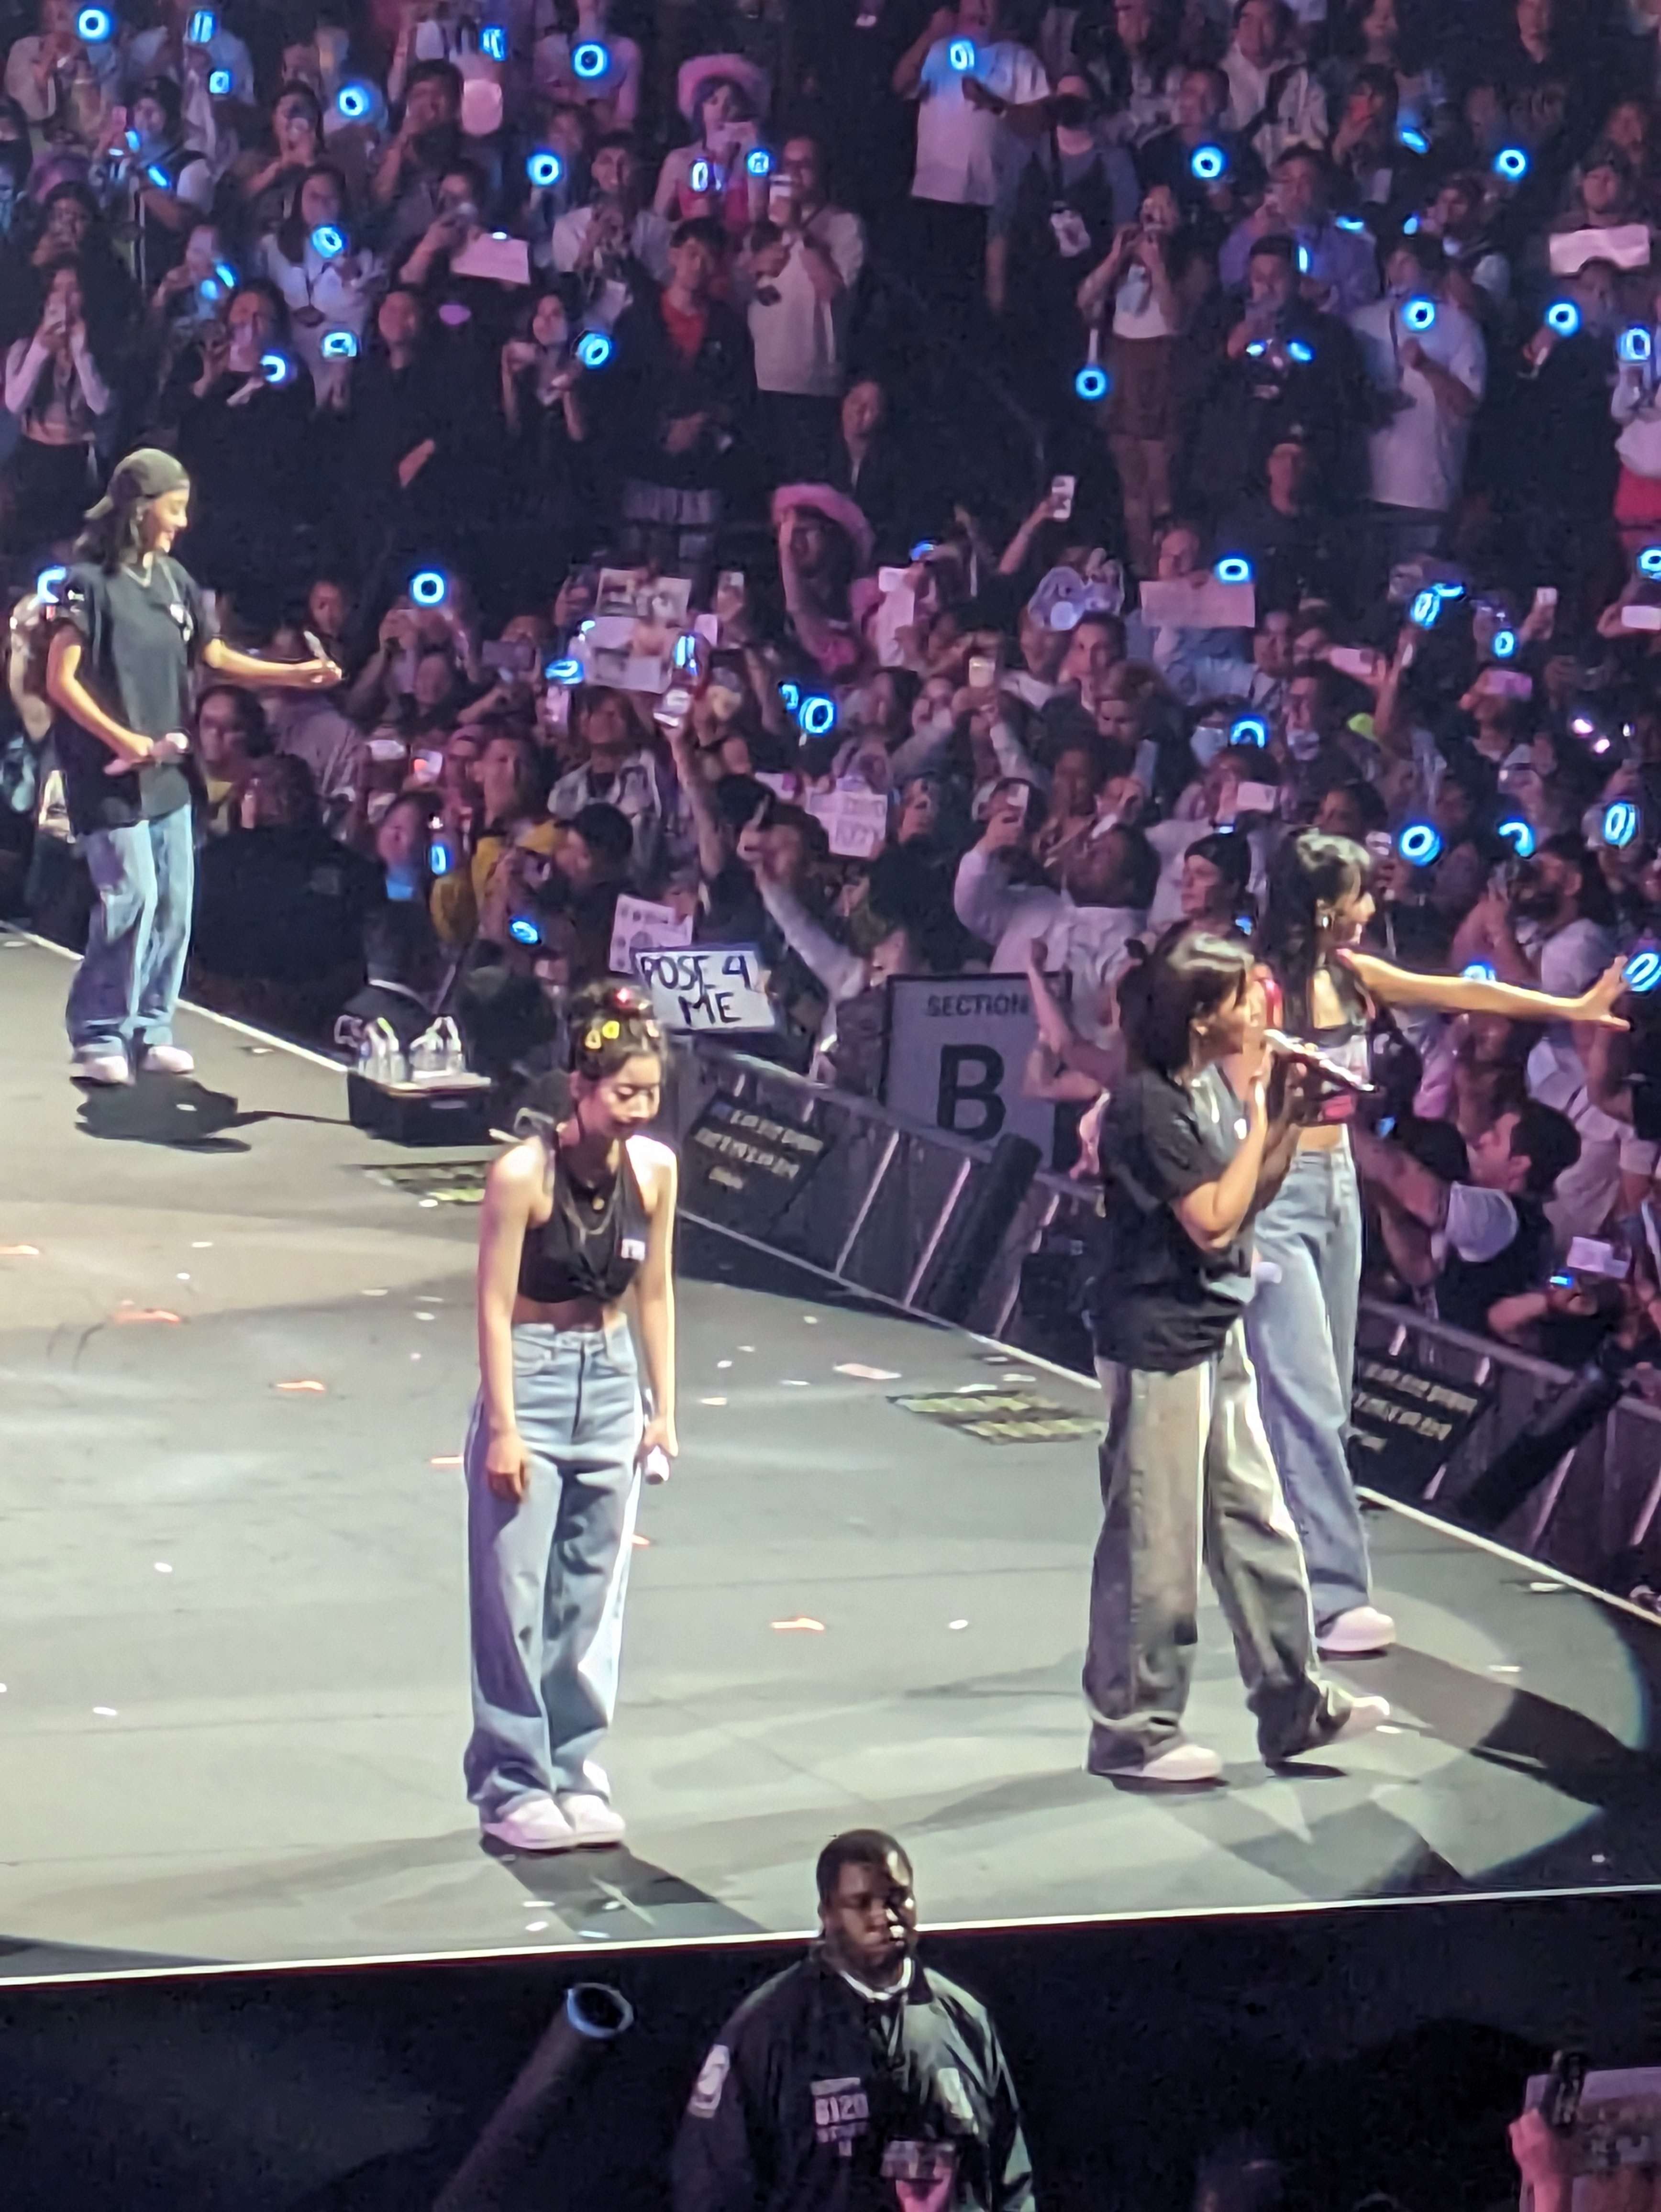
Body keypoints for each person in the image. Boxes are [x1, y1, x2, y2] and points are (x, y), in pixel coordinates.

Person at [1246, 830, 1628, 1656]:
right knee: (1301, 1390)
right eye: (1359, 892)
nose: (1373, 905)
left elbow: (1462, 988)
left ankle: (1287, 1558)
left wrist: (1571, 1011)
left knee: (1325, 1390)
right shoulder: (1258, 988)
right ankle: (1332, 1595)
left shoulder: (1354, 976)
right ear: (1321, 903)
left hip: (1338, 1192)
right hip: (1277, 1191)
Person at [1085, 926, 1391, 1785]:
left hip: (1213, 1329)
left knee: (1257, 1523)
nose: (1259, 1006)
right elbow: (1212, 1220)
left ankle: (1295, 1705)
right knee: (1156, 1545)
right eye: (1240, 998)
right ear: (1200, 1017)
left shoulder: (1209, 1089)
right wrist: (1260, 1113)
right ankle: (1134, 1732)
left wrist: (1289, 1114)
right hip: (1157, 1343)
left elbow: (1250, 1195)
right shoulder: (1149, 1103)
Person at [44, 448, 340, 1086]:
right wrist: (123, 738)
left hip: (170, 772)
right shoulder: (88, 584)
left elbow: (215, 656)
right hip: (111, 773)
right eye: (174, 509)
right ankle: (99, 1031)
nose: (182, 522)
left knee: (175, 903)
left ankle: (151, 1027)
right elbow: (61, 680)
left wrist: (296, 675)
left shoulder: (176, 581)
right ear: (140, 509)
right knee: (133, 898)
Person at [464, 979, 678, 1852]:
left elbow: (656, 1290)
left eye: (651, 1093)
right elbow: (491, 1306)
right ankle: (513, 1780)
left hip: (613, 1378)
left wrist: (663, 1408)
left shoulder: (655, 1171)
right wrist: (505, 1427)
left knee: (591, 1594)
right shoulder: (523, 1175)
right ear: (580, 1087)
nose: (639, 1110)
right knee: (514, 1590)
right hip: (536, 1374)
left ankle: (576, 1767)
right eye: (624, 1092)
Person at [672, 1828, 1036, 2212]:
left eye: (898, 1898)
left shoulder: (963, 2020)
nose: (885, 1917)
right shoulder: (769, 2030)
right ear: (828, 1914)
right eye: (862, 1903)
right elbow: (711, 2184)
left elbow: (1011, 2179)